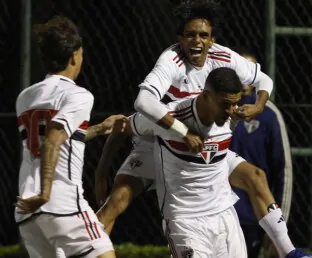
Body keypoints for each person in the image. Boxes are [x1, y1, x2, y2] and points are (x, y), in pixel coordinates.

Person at [95, 0, 272, 232]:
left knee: (256, 176)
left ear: (212, 39)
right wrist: (101, 172)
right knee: (116, 203)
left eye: (203, 35)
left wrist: (259, 106)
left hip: (202, 148)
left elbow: (263, 79)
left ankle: (288, 250)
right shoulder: (171, 60)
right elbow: (140, 106)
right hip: (162, 141)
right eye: (190, 35)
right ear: (180, 38)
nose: (196, 41)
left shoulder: (224, 57)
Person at [113, 67, 248, 257]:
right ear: (206, 95)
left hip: (224, 213)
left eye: (234, 104)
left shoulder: (230, 117)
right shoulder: (168, 117)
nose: (230, 110)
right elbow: (122, 126)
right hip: (185, 219)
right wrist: (101, 172)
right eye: (225, 104)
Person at [14, 16, 120, 258]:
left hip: (28, 212)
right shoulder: (79, 95)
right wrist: (46, 193)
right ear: (74, 55)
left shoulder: (25, 97)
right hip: (61, 202)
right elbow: (53, 138)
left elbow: (48, 138)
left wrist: (99, 128)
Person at [231, 53, 293, 258]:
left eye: (250, 70)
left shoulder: (268, 114)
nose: (244, 77)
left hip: (252, 217)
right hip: (215, 211)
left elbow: (282, 170)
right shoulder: (214, 108)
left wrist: (279, 224)